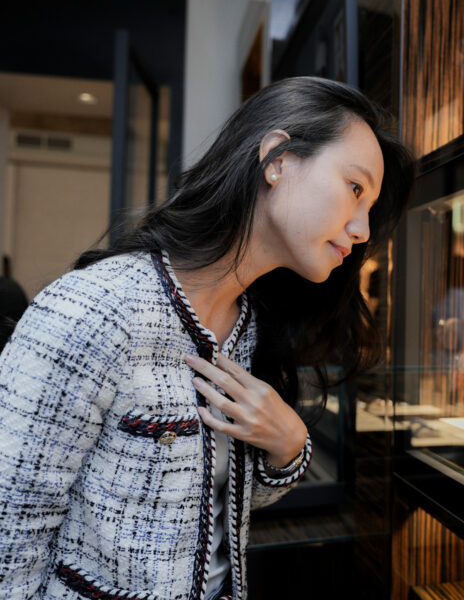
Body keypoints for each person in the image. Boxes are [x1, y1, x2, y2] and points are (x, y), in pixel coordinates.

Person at [0, 76, 414, 599]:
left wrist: (289, 447)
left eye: (370, 208)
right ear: (278, 160)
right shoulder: (96, 308)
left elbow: (217, 506)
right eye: (355, 188)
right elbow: (9, 534)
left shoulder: (252, 326)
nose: (362, 229)